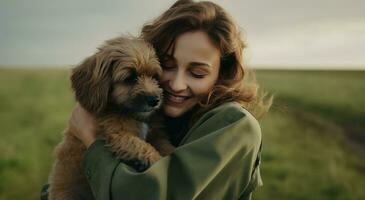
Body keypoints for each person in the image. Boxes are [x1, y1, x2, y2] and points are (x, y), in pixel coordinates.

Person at [42, 0, 271, 199]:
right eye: (168, 66)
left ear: (222, 74)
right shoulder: (171, 114)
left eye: (198, 73)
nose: (177, 85)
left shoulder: (235, 126)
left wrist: (91, 140)